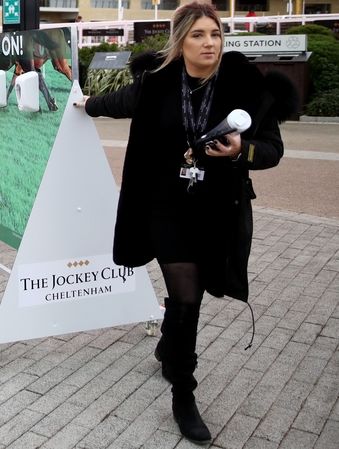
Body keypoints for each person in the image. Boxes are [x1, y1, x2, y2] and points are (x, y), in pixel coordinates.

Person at [74, 1, 297, 444]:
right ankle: (183, 393)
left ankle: (167, 346)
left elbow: (271, 148)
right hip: (162, 205)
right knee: (186, 290)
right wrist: (82, 103)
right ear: (181, 42)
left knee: (185, 298)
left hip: (213, 207)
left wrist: (240, 151)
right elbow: (118, 102)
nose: (209, 43)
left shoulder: (242, 86)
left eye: (214, 34)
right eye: (198, 35)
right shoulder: (157, 83)